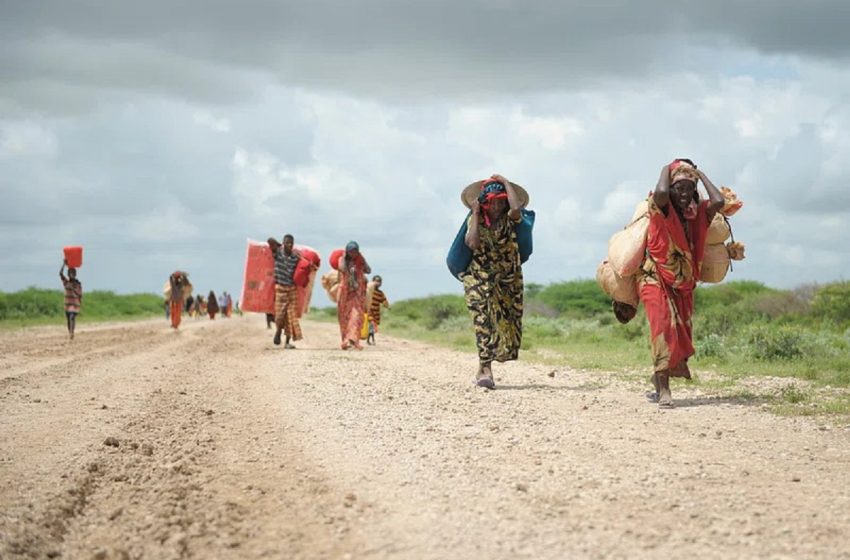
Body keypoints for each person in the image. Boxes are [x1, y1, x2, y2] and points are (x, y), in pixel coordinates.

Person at [639, 159, 724, 408]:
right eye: (680, 188)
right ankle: (665, 391)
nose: (684, 194)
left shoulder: (698, 215)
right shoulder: (660, 208)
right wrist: (667, 167)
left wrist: (699, 174)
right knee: (663, 328)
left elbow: (719, 201)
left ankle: (658, 380)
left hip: (684, 284)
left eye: (689, 189)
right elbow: (662, 192)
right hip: (654, 277)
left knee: (680, 334)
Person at [461, 174, 528, 389]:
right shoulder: (476, 219)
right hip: (478, 277)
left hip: (507, 276)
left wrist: (507, 183)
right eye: (493, 201)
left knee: (507, 318)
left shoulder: (511, 217)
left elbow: (517, 210)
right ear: (485, 202)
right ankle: (485, 367)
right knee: (482, 318)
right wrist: (476, 212)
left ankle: (488, 363)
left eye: (501, 201)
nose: (497, 206)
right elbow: (472, 243)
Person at [268, 234, 303, 348]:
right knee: (279, 316)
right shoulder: (277, 252)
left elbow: (304, 266)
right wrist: (279, 245)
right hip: (280, 289)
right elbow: (270, 240)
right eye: (287, 242)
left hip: (292, 289)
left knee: (291, 317)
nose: (290, 245)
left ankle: (287, 342)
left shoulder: (295, 257)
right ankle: (278, 332)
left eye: (291, 243)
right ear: (283, 243)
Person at [337, 241, 371, 350]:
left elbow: (369, 270)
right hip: (345, 294)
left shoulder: (359, 261)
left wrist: (362, 259)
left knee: (356, 316)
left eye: (355, 251)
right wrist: (344, 258)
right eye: (351, 251)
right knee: (344, 318)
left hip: (357, 293)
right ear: (347, 251)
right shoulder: (342, 260)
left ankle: (354, 340)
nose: (353, 253)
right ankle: (346, 340)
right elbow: (342, 268)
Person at [59, 260, 82, 340]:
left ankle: (72, 332)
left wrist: (74, 289)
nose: (71, 274)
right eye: (69, 273)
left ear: (75, 274)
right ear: (68, 274)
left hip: (75, 304)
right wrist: (64, 264)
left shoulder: (78, 283)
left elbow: (80, 294)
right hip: (67, 304)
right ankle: (70, 332)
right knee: (68, 319)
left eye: (73, 273)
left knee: (72, 317)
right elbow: (60, 274)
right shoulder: (66, 282)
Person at [366, 275, 390, 345]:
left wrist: (387, 306)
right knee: (372, 326)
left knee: (372, 327)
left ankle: (369, 340)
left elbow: (384, 300)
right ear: (372, 282)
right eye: (376, 281)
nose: (378, 283)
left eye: (379, 281)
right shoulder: (369, 291)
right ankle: (371, 340)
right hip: (369, 311)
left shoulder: (380, 293)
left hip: (376, 312)